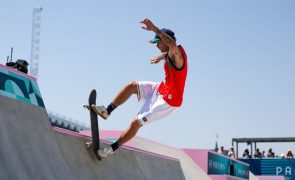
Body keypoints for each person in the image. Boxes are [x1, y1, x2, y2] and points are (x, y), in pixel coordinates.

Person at [91, 18, 188, 158]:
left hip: (169, 101)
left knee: (135, 123)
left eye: (157, 43)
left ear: (165, 40)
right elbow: (167, 53)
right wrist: (160, 57)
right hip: (161, 89)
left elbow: (172, 46)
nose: (156, 46)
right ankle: (107, 111)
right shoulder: (169, 53)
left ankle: (111, 149)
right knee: (132, 86)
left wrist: (154, 28)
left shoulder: (178, 54)